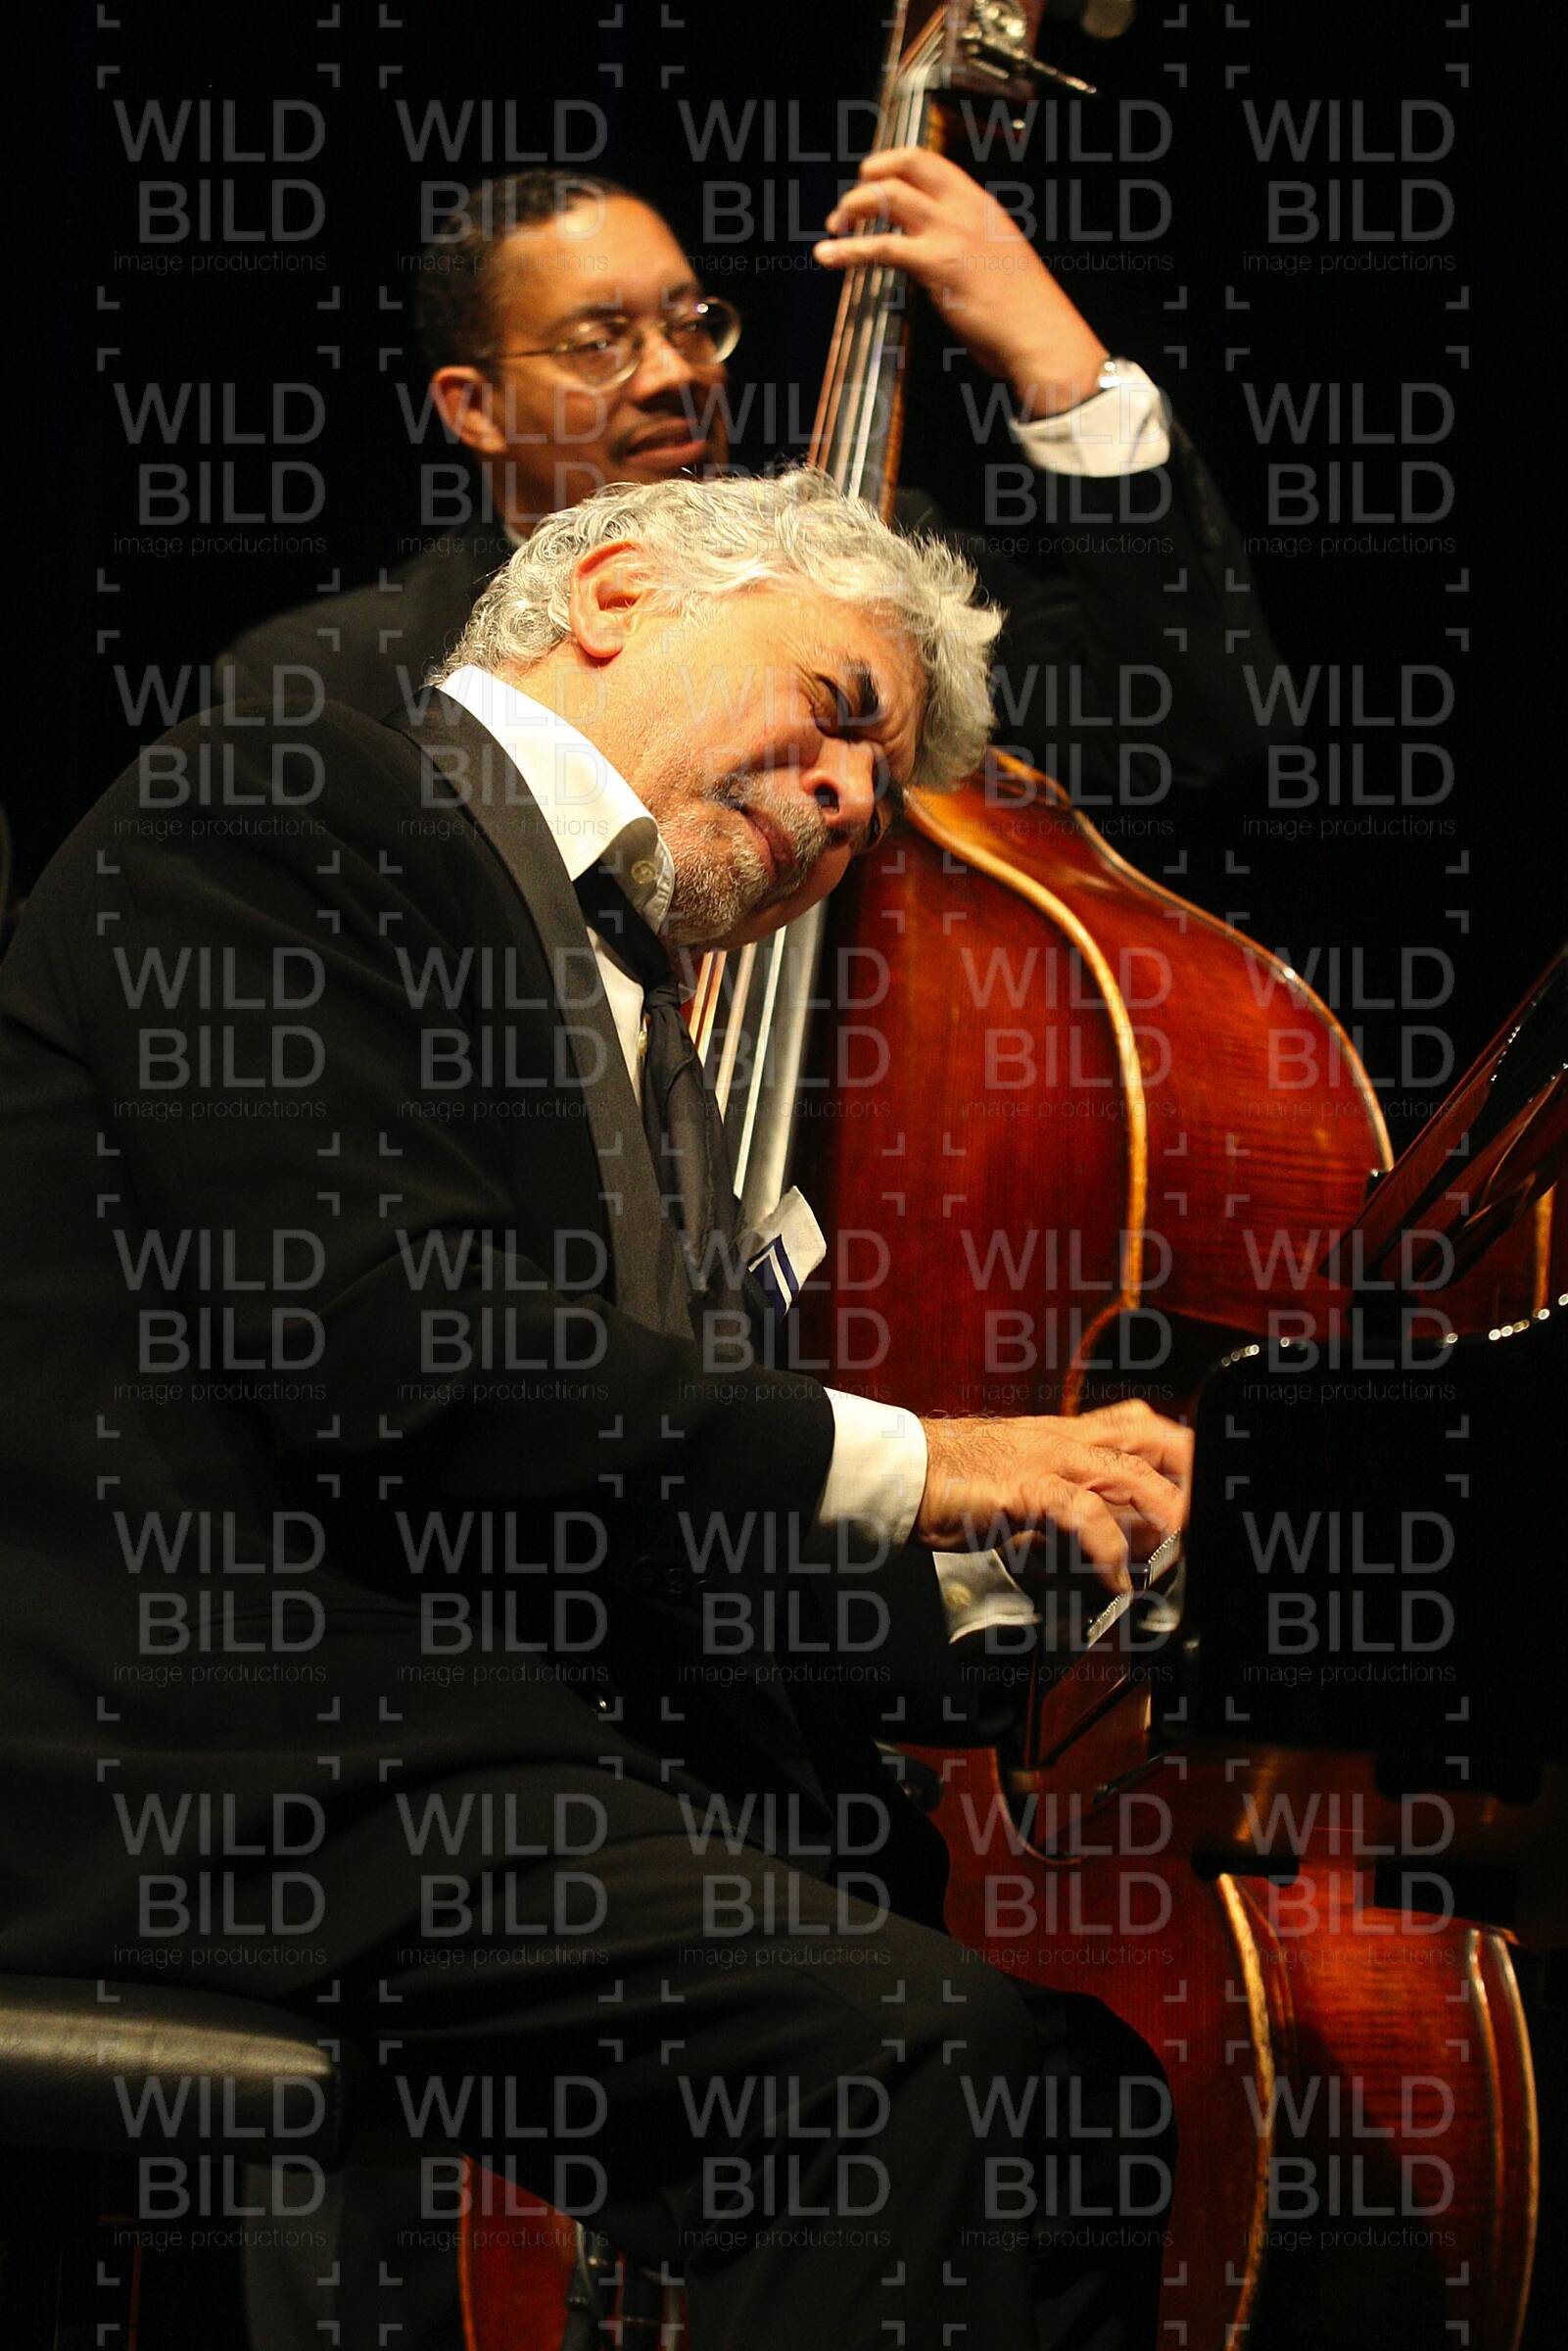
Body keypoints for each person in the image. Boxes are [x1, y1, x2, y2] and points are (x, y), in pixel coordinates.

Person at [1, 469, 1187, 2347]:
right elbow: (401, 1354)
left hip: (448, 1768)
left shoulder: (638, 1005)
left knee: (1081, 2102)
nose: (850, 802)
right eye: (839, 712)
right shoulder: (281, 805)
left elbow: (617, 1495)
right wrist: (929, 1463)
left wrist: (1027, 1600)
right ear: (620, 592)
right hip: (216, 1772)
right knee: (903, 2065)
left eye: (876, 792)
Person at [216, 162, 1283, 817]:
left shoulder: (867, 581)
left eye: (691, 324)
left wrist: (1056, 360)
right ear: (473, 408)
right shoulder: (324, 682)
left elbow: (1190, 721)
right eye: (600, 340)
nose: (675, 371)